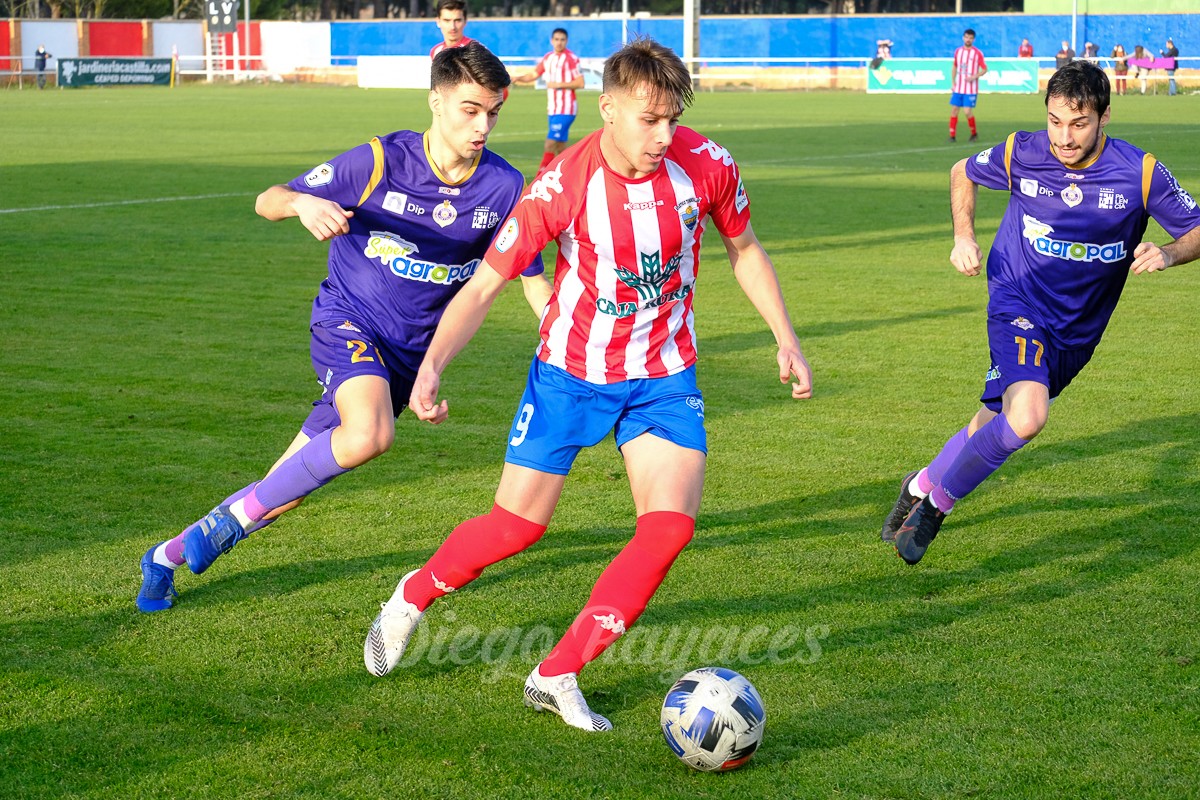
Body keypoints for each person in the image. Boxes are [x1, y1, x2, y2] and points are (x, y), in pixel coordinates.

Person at [363, 36, 812, 732]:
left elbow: (743, 248)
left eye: (673, 118)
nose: (664, 135)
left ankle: (558, 672)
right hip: (571, 375)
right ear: (607, 109)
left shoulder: (709, 165)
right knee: (516, 527)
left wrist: (785, 337)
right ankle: (413, 594)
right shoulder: (563, 185)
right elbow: (486, 284)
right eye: (648, 119)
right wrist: (431, 365)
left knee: (667, 530)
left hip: (664, 375)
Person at [135, 43, 553, 613]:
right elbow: (269, 199)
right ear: (436, 101)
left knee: (283, 490)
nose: (483, 126)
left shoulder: (504, 187)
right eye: (470, 110)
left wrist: (569, 335)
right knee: (370, 436)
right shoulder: (381, 161)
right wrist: (303, 207)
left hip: (407, 358)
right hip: (348, 322)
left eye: (494, 112)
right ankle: (214, 533)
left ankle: (167, 556)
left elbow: (530, 279)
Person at [881, 60, 1200, 566]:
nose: (1065, 137)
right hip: (1017, 300)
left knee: (992, 420)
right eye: (1055, 121)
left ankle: (919, 484)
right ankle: (936, 507)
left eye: (1079, 123)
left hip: (1077, 334)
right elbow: (962, 170)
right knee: (1027, 418)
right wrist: (964, 235)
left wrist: (1169, 252)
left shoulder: (1139, 173)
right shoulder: (1022, 151)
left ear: (1104, 117)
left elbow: (1196, 228)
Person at [512, 27, 584, 176]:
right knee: (560, 147)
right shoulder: (548, 58)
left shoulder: (571, 59)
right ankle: (573, 174)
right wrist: (519, 78)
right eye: (556, 39)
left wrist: (558, 84)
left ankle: (541, 176)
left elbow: (580, 83)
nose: (559, 42)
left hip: (567, 109)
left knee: (550, 143)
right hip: (552, 109)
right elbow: (534, 73)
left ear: (566, 41)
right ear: (552, 41)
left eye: (562, 40)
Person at [950, 28, 987, 143]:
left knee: (967, 111)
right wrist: (953, 82)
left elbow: (984, 69)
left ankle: (974, 133)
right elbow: (955, 66)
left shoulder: (977, 53)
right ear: (963, 37)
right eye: (966, 37)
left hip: (971, 89)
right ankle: (952, 136)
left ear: (973, 39)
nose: (968, 39)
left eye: (970, 38)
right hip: (959, 87)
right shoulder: (958, 52)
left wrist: (974, 77)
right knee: (954, 110)